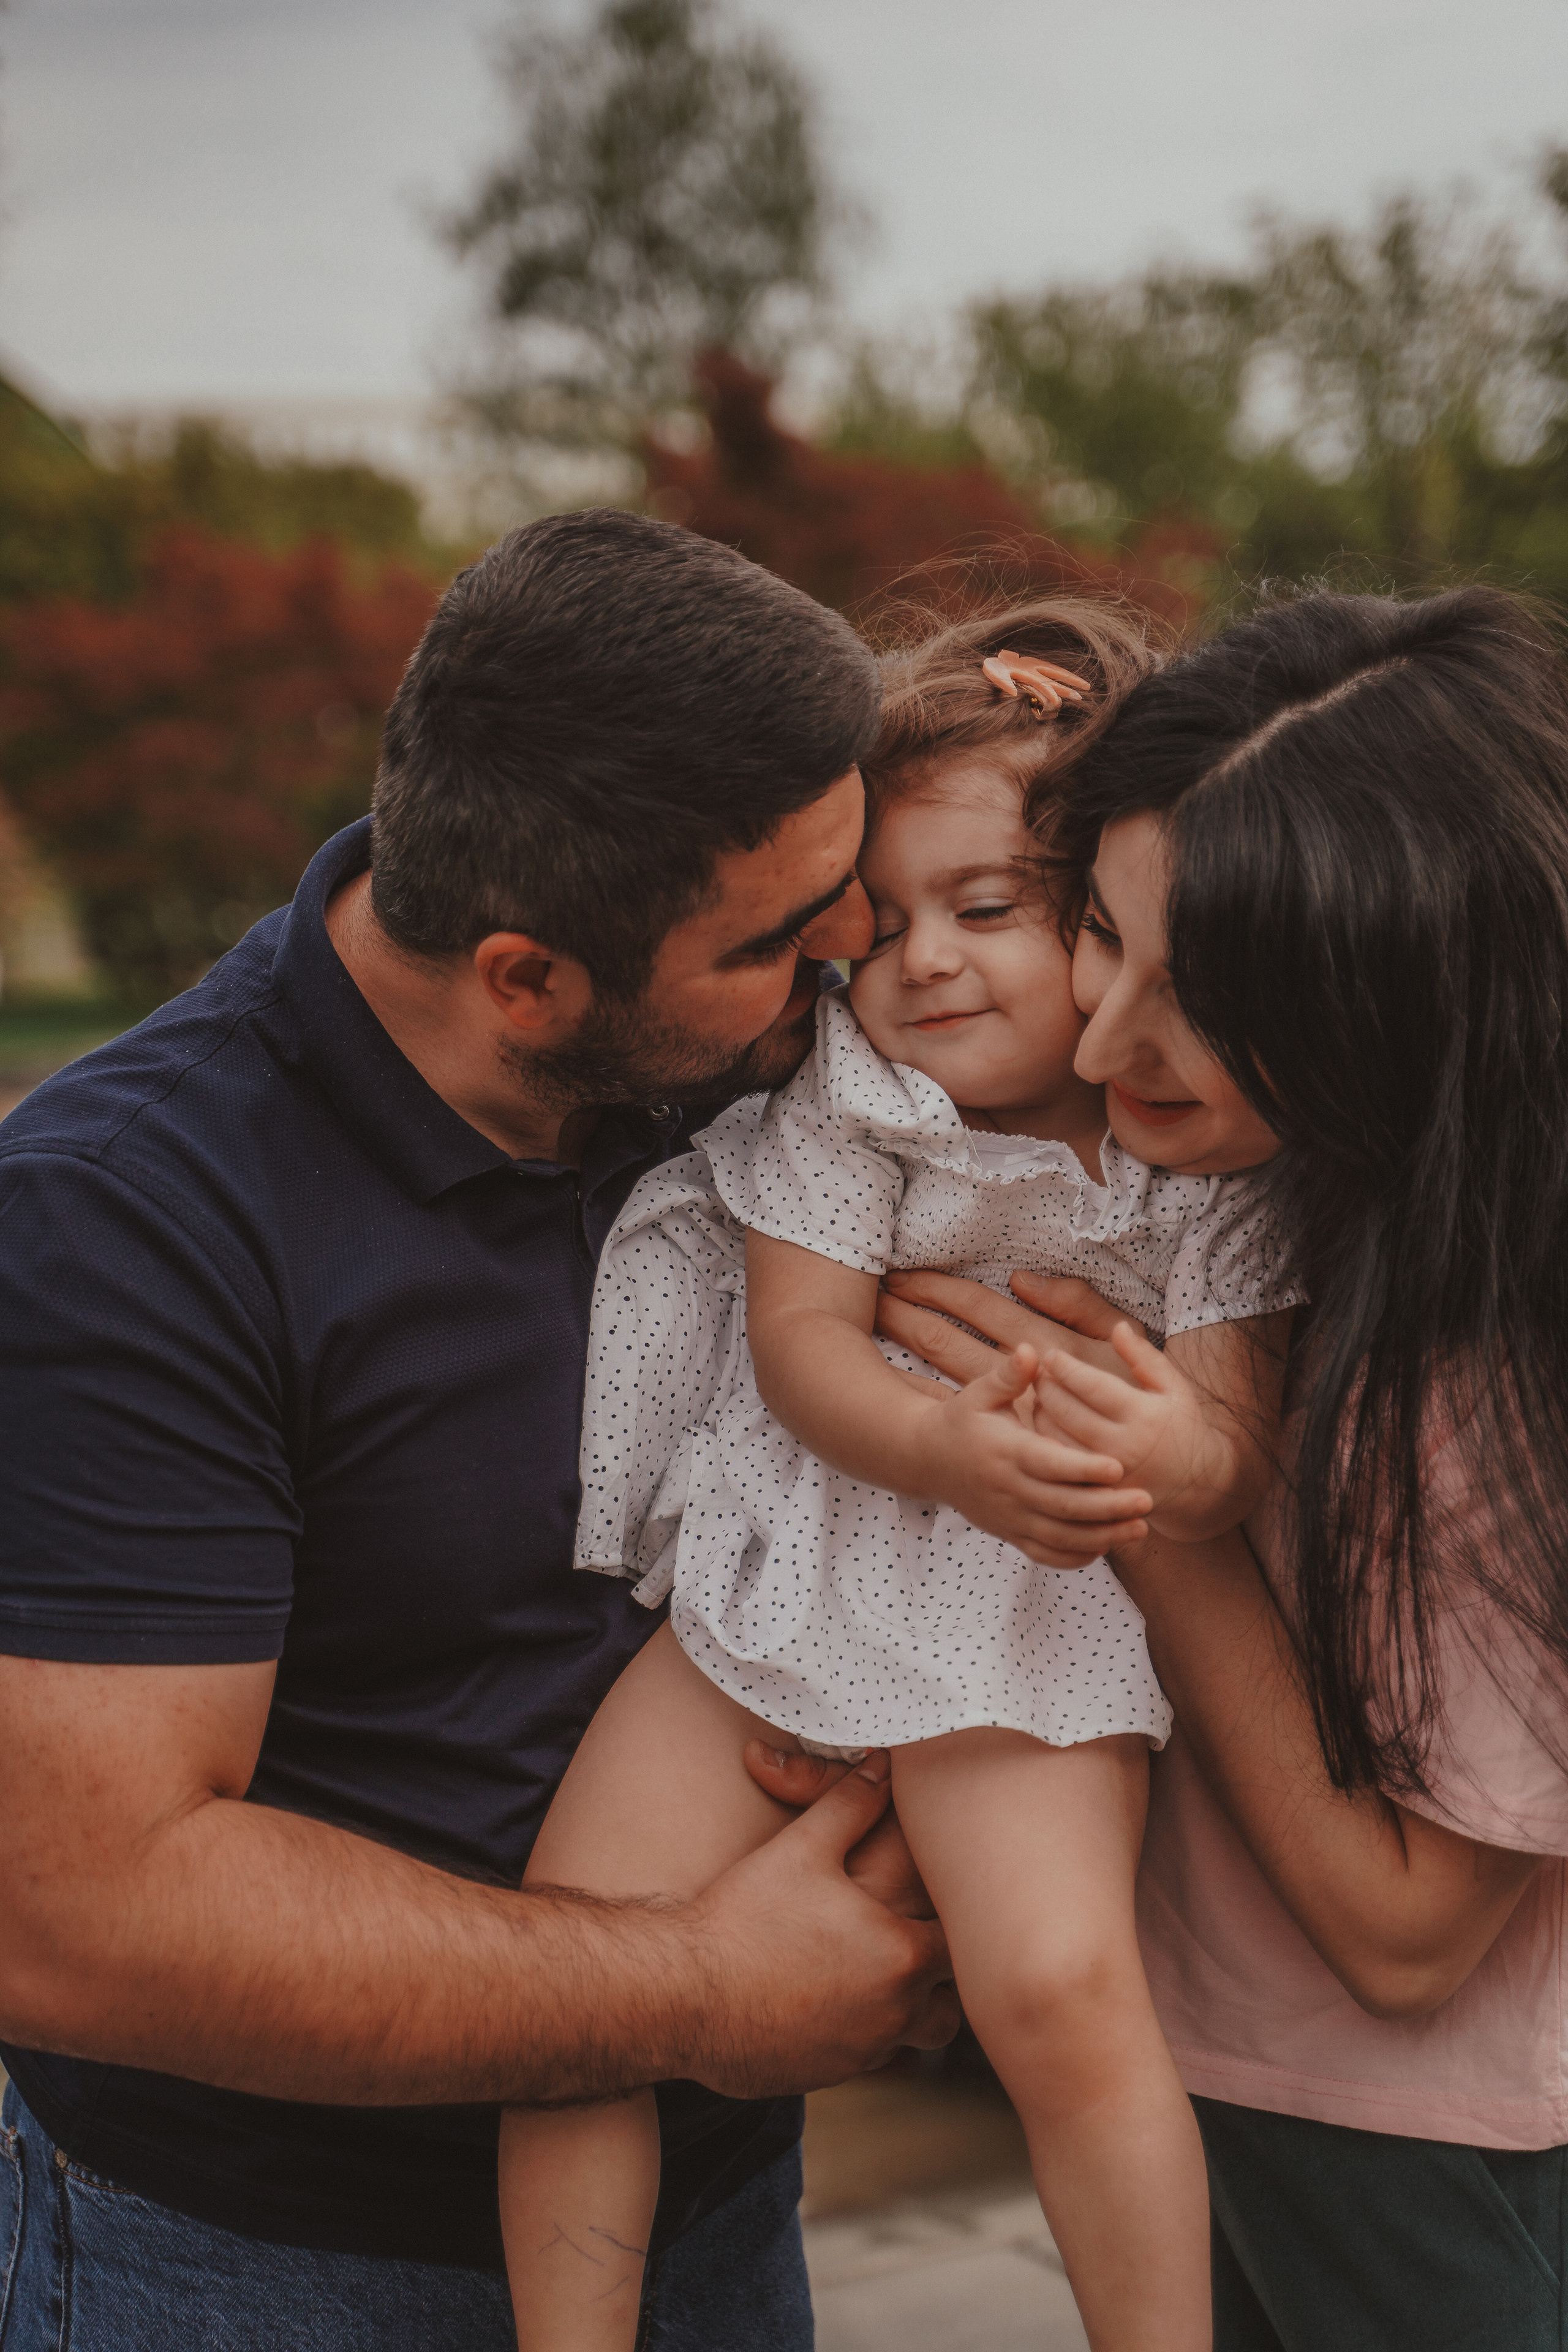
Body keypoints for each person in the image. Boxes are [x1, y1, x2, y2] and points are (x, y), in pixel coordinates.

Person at [0, 510, 959, 2352]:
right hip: (258, 2267)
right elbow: (79, 1908)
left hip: (715, 2212)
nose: (852, 953)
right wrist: (700, 1991)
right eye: (776, 935)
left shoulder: (741, 1091)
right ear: (528, 978)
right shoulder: (119, 1225)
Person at [499, 600, 1298, 2352]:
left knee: (1061, 1990)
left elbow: (1229, 1447)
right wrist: (942, 1438)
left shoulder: (1207, 1133)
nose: (925, 961)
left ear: (1114, 917)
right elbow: (798, 1342)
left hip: (1043, 1605)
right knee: (570, 1970)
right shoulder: (860, 1098)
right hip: (802, 1559)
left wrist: (1155, 1451)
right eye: (883, 927)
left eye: (991, 909)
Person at [873, 585, 1568, 2350]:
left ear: (1392, 1001)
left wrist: (1166, 1532)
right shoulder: (1248, 1188)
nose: (1106, 1046)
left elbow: (1408, 1938)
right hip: (1215, 2088)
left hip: (1416, 2161)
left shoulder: (1487, 1374)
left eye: (1204, 1001)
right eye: (1099, 934)